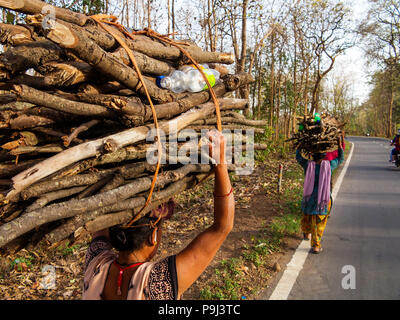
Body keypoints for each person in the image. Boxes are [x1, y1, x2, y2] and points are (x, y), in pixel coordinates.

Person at [82, 130, 235, 300]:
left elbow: (101, 207)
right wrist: (221, 165)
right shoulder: (158, 280)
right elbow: (222, 227)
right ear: (152, 236)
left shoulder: (95, 264)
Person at [296, 136, 344, 254]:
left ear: (312, 155)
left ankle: (306, 233)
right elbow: (340, 158)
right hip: (323, 200)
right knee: (319, 222)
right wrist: (339, 144)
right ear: (324, 156)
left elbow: (298, 157)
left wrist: (300, 145)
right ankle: (316, 245)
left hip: (309, 199)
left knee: (307, 217)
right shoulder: (329, 166)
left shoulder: (308, 165)